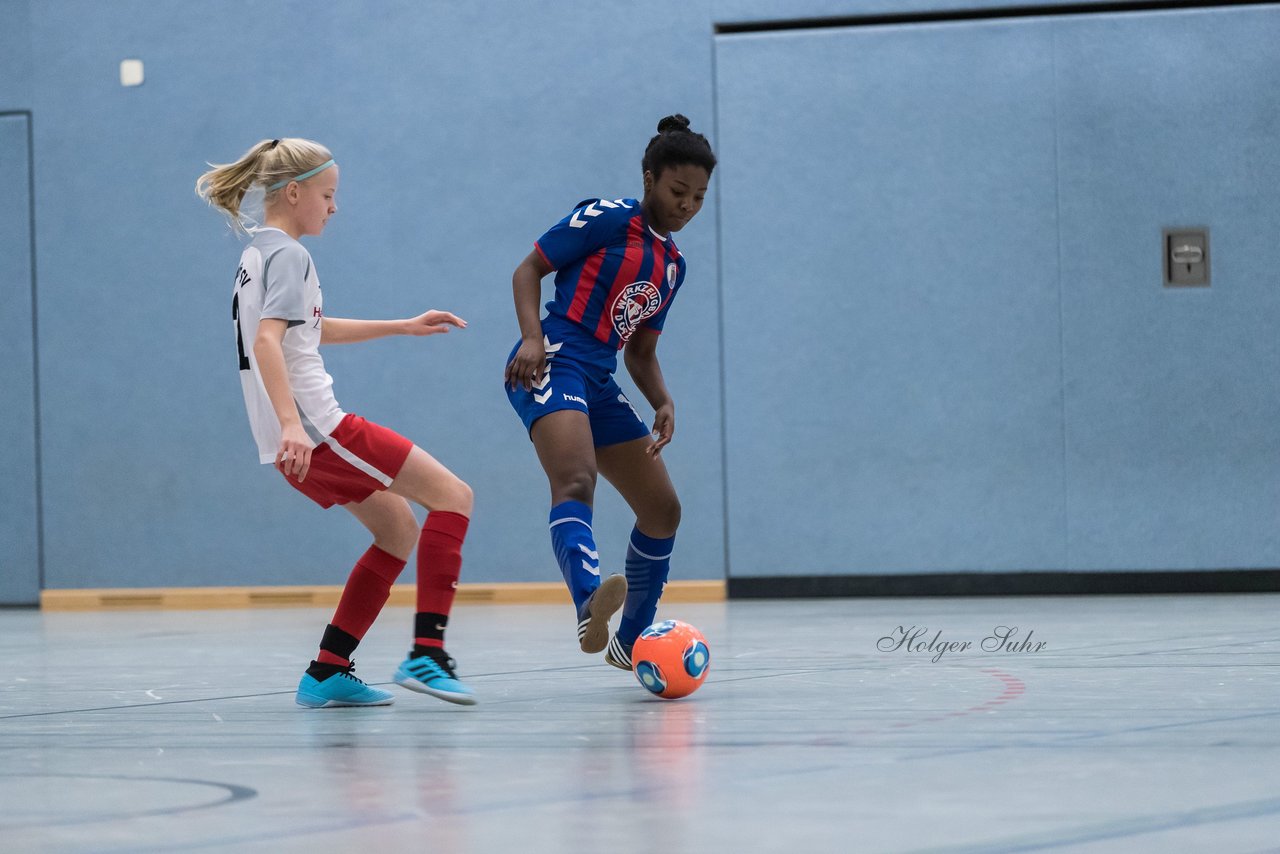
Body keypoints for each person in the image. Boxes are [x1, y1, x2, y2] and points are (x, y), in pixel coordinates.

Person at [197, 138, 477, 707]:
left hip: (293, 439)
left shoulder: (258, 255)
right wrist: (294, 424)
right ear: (294, 192)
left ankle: (327, 669)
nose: (334, 206)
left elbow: (308, 331)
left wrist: (401, 325)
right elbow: (268, 341)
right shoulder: (290, 256)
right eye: (328, 194)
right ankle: (428, 653)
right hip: (320, 431)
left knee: (397, 532)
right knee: (453, 496)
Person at [504, 115, 717, 670]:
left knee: (663, 510)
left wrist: (662, 401)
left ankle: (630, 643)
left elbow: (640, 352)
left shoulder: (673, 266)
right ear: (649, 179)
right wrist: (531, 337)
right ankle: (587, 600)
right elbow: (528, 269)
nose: (687, 206)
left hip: (599, 380)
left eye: (698, 197)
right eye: (677, 192)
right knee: (576, 478)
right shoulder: (607, 217)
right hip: (550, 360)